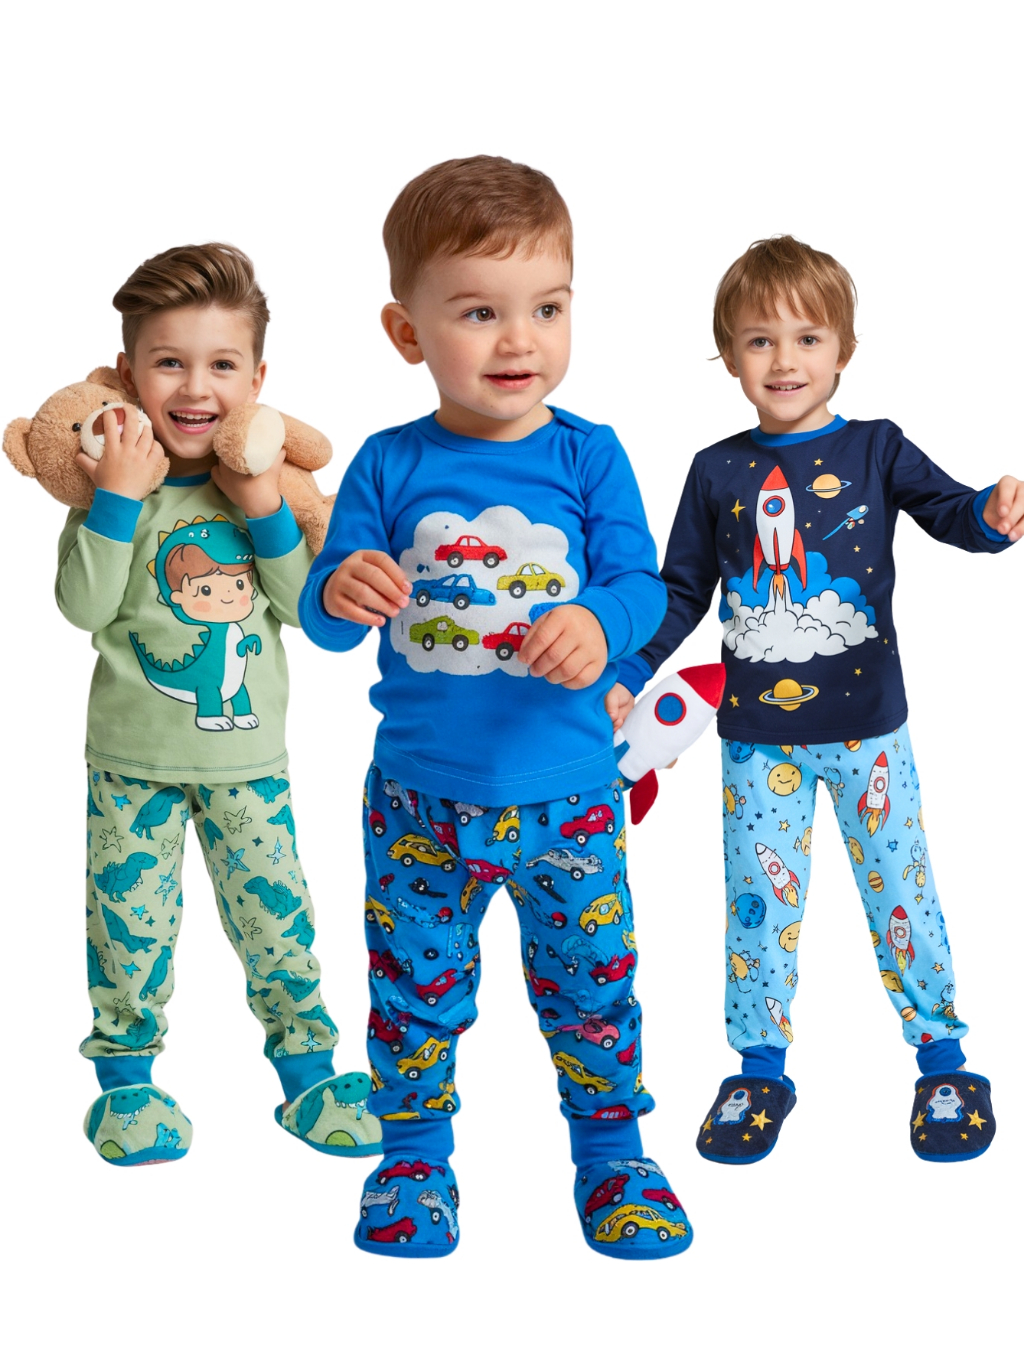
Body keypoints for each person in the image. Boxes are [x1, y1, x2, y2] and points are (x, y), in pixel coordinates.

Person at [299, 156, 692, 1258]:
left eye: (547, 309)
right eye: (479, 312)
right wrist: (338, 587)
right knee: (411, 990)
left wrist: (602, 623)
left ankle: (614, 1155)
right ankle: (412, 1159)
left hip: (569, 800)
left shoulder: (588, 453)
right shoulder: (386, 463)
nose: (520, 340)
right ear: (406, 331)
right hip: (417, 803)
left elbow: (641, 582)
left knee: (591, 990)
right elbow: (326, 622)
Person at [609, 235, 1022, 1164]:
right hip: (758, 739)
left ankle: (943, 1057)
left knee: (902, 888)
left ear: (844, 350)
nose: (784, 360)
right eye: (759, 340)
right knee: (758, 901)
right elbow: (681, 590)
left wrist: (993, 518)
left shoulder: (877, 447)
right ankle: (760, 1066)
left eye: (807, 338)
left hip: (871, 732)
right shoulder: (716, 470)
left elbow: (951, 511)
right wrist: (628, 672)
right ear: (728, 356)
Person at [59, 242, 381, 1165]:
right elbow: (82, 606)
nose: (196, 387)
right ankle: (127, 1084)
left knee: (278, 922)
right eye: (169, 362)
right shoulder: (109, 488)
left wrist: (264, 503)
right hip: (131, 764)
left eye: (222, 365)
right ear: (128, 375)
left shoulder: (262, 491)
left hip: (248, 765)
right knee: (128, 931)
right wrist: (117, 500)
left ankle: (308, 1074)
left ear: (257, 381)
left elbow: (308, 612)